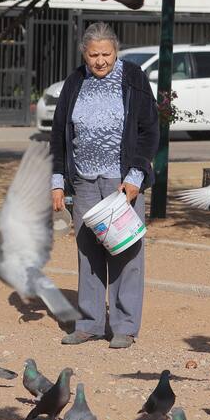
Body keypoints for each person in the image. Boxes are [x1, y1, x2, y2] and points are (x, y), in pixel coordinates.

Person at [50, 23, 159, 349]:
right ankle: (89, 324)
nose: (100, 61)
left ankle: (124, 326)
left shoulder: (133, 78)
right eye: (93, 55)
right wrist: (57, 181)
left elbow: (149, 130)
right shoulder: (75, 82)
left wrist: (136, 176)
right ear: (84, 54)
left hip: (121, 182)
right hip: (83, 181)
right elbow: (59, 134)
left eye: (106, 54)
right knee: (88, 253)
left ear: (116, 51)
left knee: (125, 251)